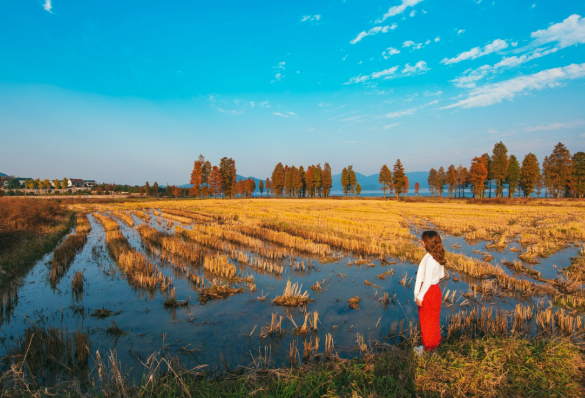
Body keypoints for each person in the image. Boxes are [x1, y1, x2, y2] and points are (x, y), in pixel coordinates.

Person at [413, 230, 446, 355]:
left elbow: (426, 281)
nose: (421, 242)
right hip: (435, 290)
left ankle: (427, 350)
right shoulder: (437, 255)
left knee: (426, 321)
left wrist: (420, 296)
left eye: (423, 240)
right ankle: (433, 345)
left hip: (428, 292)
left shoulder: (430, 260)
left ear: (427, 243)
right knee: (433, 320)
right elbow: (442, 274)